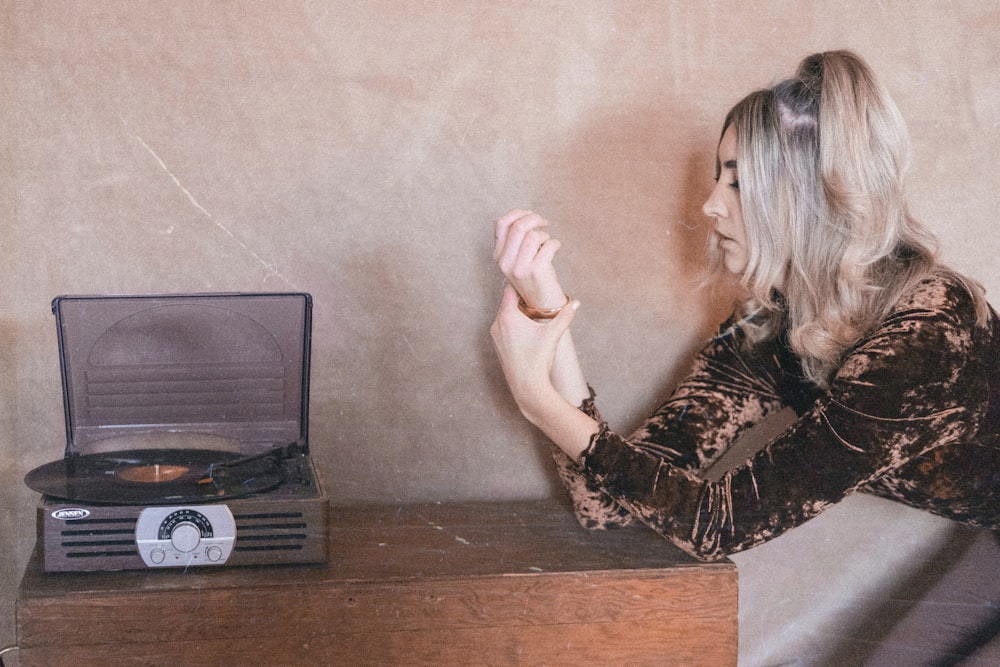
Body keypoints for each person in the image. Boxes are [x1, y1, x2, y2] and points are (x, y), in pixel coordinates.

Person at [490, 51, 1000, 659]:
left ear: (810, 196)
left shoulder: (929, 335)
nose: (709, 205)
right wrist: (553, 324)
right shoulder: (766, 326)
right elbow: (607, 505)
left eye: (736, 180)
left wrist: (533, 396)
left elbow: (717, 523)